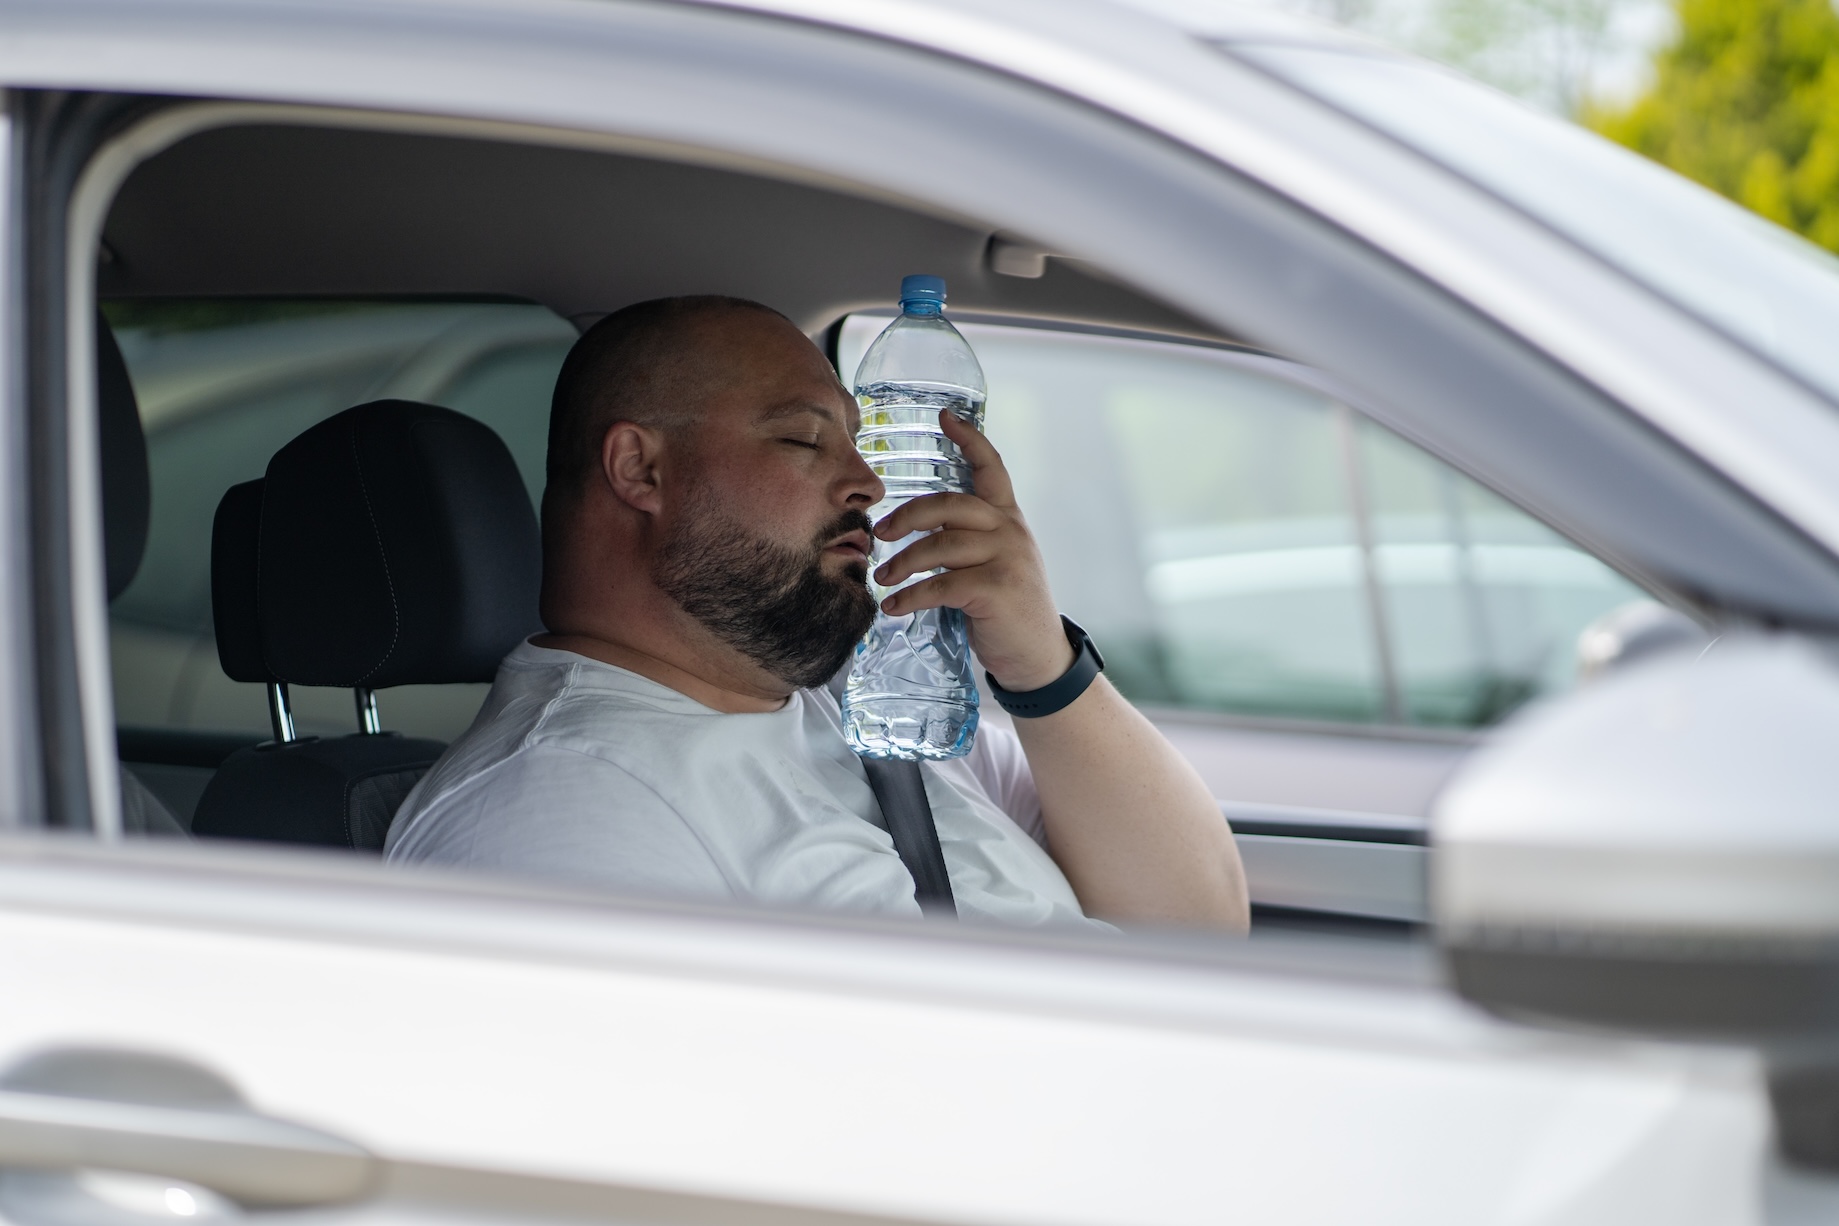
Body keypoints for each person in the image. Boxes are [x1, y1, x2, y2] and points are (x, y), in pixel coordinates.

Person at [385, 296, 1247, 931]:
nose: (867, 484)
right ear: (638, 471)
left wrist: (1042, 668)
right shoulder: (560, 810)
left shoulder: (862, 709)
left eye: (860, 441)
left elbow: (1197, 928)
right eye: (803, 439)